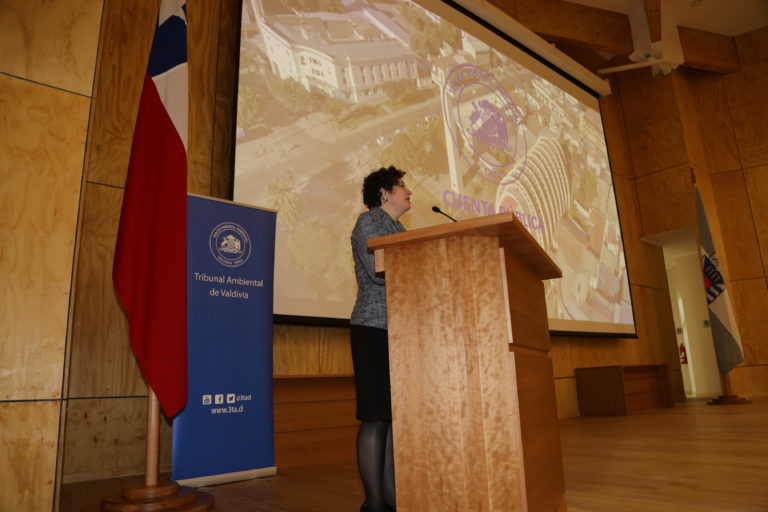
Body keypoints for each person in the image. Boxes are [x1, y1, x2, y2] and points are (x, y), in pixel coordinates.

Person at [350, 166, 412, 512]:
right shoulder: (369, 221)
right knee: (376, 415)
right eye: (401, 185)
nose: (408, 191)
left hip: (399, 331)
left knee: (391, 417)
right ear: (384, 193)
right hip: (373, 328)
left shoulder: (399, 229)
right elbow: (379, 269)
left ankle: (391, 499)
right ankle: (374, 503)